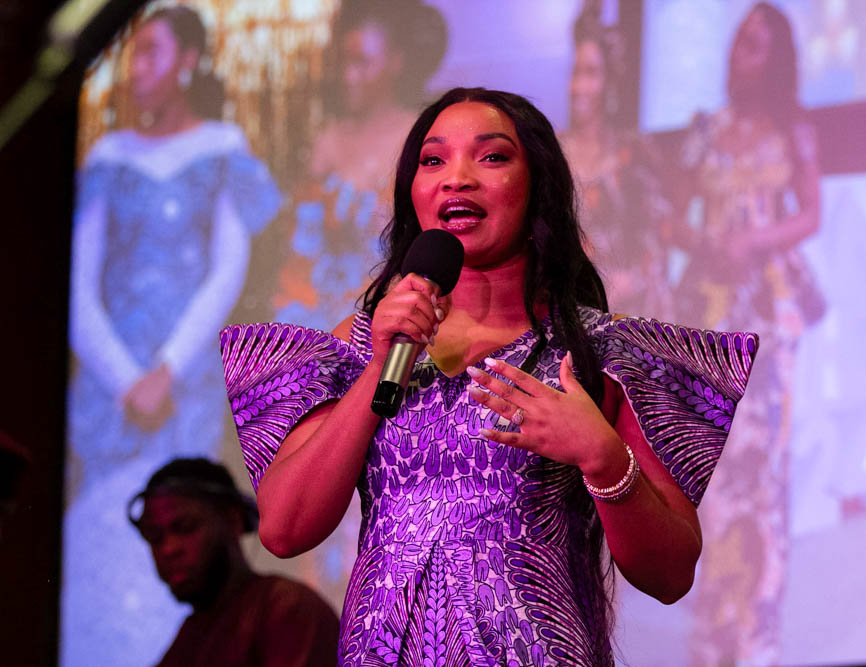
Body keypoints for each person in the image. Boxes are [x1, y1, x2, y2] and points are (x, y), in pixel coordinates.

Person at [220, 87, 758, 665]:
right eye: (433, 161)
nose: (457, 178)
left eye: (492, 157)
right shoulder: (360, 347)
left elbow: (671, 574)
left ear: (538, 189)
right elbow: (283, 529)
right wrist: (380, 365)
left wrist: (603, 459)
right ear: (414, 193)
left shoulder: (600, 353)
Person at [63, 6, 282, 665]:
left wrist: (167, 366)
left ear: (187, 62)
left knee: (184, 518)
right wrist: (124, 376)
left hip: (182, 379)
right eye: (132, 55)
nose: (137, 69)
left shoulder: (221, 148)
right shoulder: (108, 154)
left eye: (152, 52)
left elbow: (227, 270)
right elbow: (79, 278)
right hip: (112, 383)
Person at [669, 3, 824, 664]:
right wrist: (707, 241)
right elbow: (672, 218)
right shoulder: (706, 130)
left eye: (757, 45)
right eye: (738, 43)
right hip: (712, 309)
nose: (743, 55)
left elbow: (812, 214)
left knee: (765, 473)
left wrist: (756, 238)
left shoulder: (795, 131)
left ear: (778, 56)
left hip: (771, 312)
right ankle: (714, 633)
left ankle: (755, 635)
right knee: (717, 472)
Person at [274, 0, 447, 330]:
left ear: (396, 63)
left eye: (362, 62)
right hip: (313, 310)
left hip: (383, 313)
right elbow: (302, 243)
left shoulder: (417, 135)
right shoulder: (329, 138)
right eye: (344, 62)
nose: (348, 75)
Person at [128, 458, 340, 667]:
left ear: (232, 520)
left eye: (185, 527)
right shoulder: (190, 635)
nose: (168, 549)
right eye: (154, 537)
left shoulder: (286, 606)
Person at [560, 1, 675, 317]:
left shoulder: (635, 152)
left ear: (609, 82)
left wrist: (629, 282)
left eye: (591, 73)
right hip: (566, 307)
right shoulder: (551, 150)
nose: (579, 86)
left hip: (627, 310)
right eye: (575, 73)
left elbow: (658, 235)